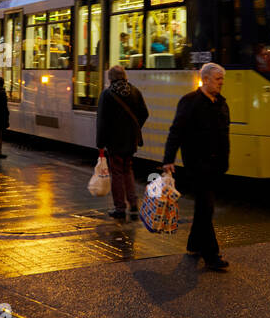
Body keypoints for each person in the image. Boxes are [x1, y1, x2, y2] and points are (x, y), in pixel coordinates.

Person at [163, 63, 231, 271]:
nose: (221, 83)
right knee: (206, 207)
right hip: (197, 164)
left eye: (222, 80)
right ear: (206, 79)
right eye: (218, 79)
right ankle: (212, 255)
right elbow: (176, 131)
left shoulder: (221, 103)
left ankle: (194, 244)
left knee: (203, 207)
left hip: (216, 165)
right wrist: (169, 160)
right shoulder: (190, 102)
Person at [96, 65, 149, 220]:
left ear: (111, 78)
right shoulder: (135, 91)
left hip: (114, 141)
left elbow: (102, 122)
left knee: (117, 173)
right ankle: (133, 204)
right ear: (125, 76)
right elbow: (144, 113)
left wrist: (100, 143)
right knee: (128, 170)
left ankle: (120, 208)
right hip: (130, 140)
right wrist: (134, 128)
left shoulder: (107, 94)